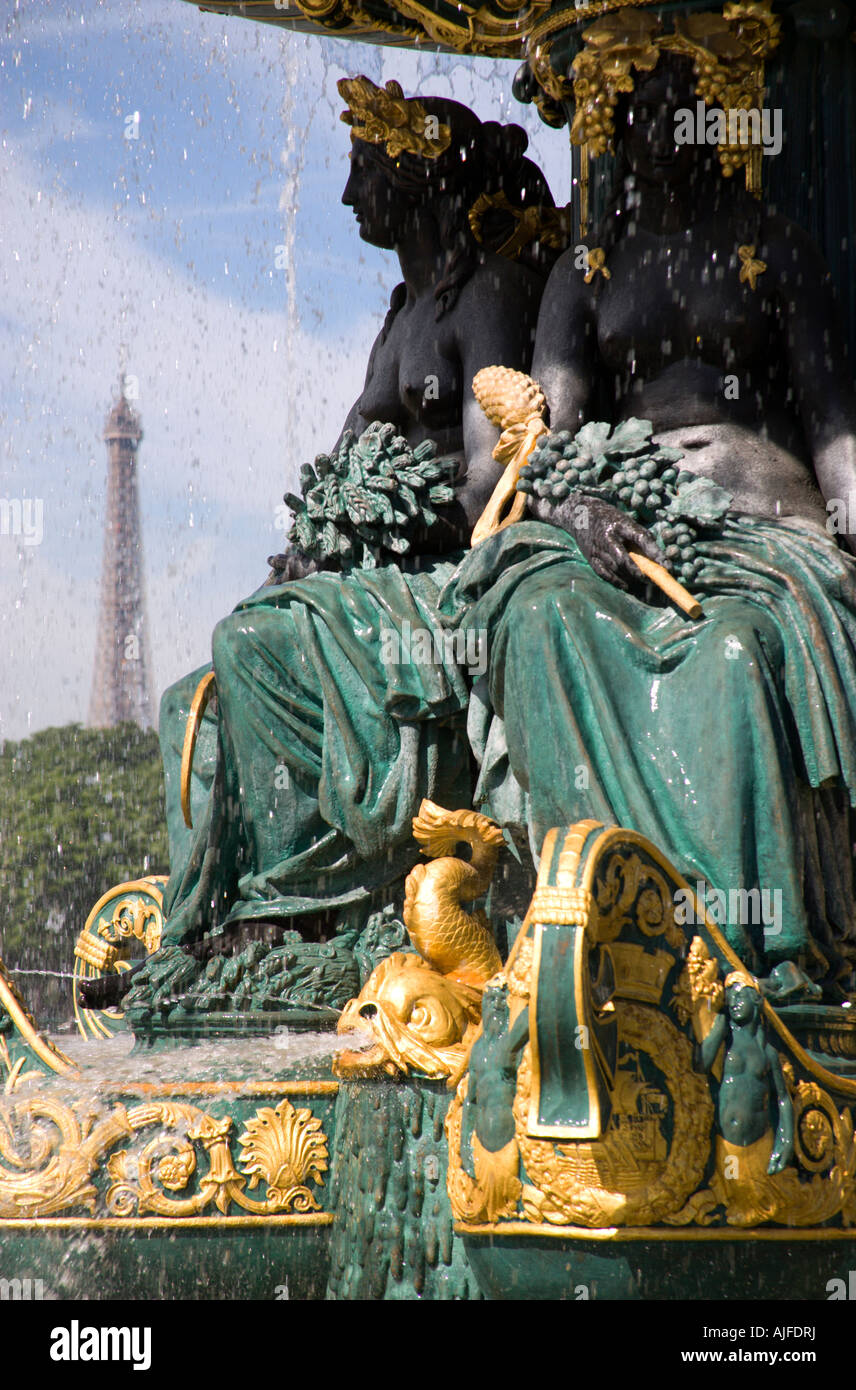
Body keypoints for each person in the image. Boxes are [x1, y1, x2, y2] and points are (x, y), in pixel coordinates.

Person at [442, 53, 856, 1000]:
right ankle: (592, 916)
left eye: (686, 118)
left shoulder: (776, 245)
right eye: (641, 122)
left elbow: (839, 428)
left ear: (722, 130)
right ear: (619, 138)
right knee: (540, 615)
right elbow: (536, 442)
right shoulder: (584, 272)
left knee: (734, 651)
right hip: (612, 521)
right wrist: (578, 508)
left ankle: (750, 944)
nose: (663, 142)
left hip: (759, 520)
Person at [137, 79, 561, 973]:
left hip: (443, 572)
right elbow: (342, 468)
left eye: (363, 171)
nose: (345, 196)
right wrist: (316, 539)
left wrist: (383, 530)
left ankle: (296, 910)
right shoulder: (404, 317)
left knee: (250, 645)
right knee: (188, 698)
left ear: (413, 176)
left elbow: (494, 476)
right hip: (373, 570)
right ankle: (208, 930)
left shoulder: (489, 293)